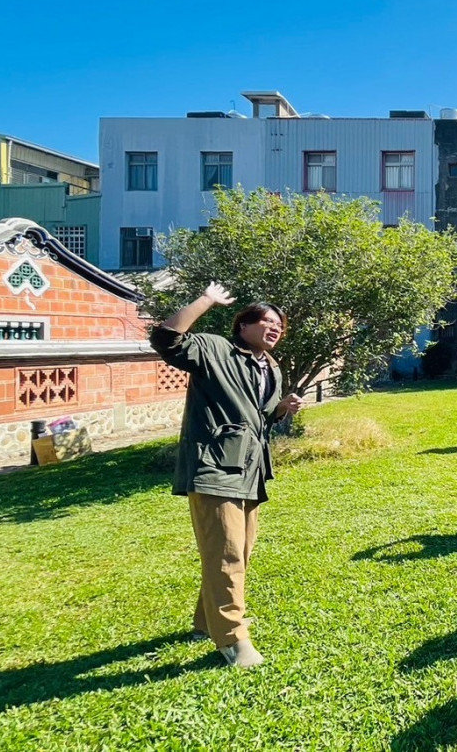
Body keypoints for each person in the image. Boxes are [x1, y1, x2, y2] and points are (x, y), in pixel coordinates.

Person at [149, 282, 303, 669]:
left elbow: (263, 417)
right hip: (214, 466)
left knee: (240, 552)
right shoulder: (214, 349)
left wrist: (283, 407)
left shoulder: (271, 367)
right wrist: (206, 300)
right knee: (227, 553)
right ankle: (233, 639)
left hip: (250, 470)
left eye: (280, 326)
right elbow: (166, 339)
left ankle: (207, 622)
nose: (275, 329)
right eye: (268, 322)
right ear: (243, 325)